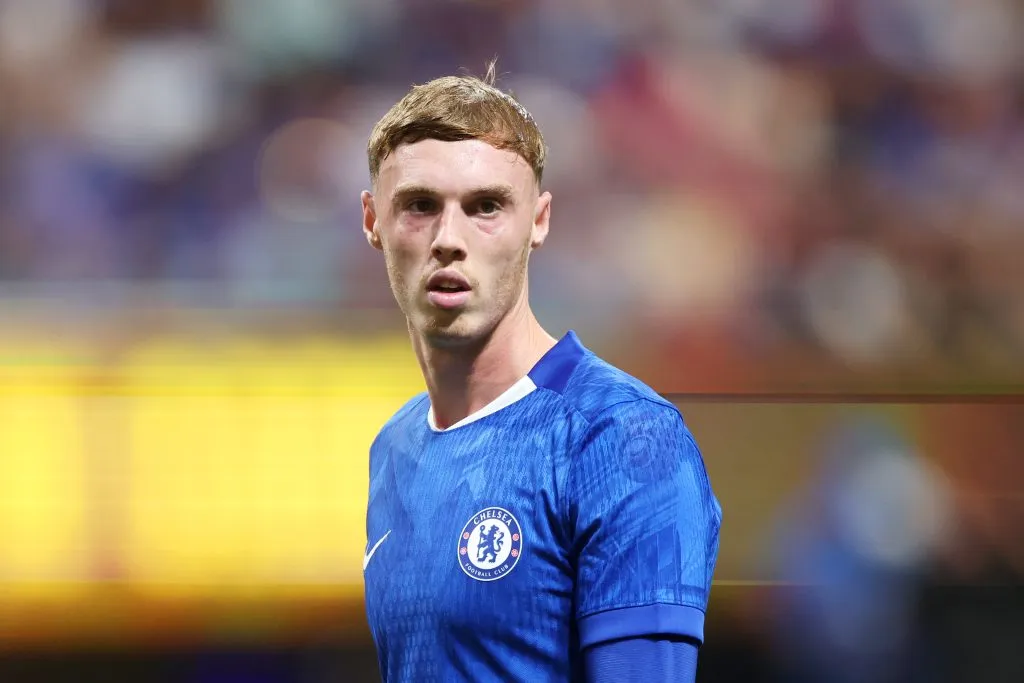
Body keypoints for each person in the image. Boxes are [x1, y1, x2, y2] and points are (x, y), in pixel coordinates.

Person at [359, 62, 721, 682]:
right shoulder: (394, 448)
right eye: (419, 205)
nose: (449, 237)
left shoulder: (624, 438)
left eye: (486, 207)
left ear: (539, 221)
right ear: (373, 221)